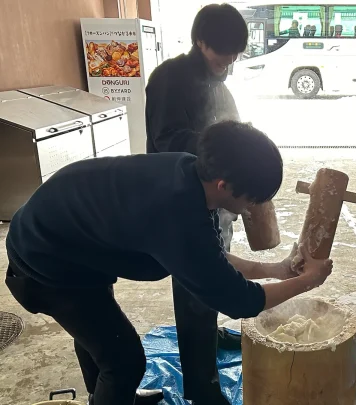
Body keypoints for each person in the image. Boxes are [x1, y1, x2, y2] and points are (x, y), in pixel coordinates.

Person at [5, 121, 333, 405]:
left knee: (99, 338)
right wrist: (309, 281)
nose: (249, 209)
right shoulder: (177, 213)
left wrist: (277, 270)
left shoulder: (191, 171)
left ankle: (111, 395)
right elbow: (240, 300)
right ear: (224, 186)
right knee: (124, 360)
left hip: (74, 239)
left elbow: (209, 258)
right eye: (250, 200)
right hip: (46, 262)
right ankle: (113, 392)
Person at [145, 4, 251, 404]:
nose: (230, 60)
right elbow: (168, 140)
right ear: (200, 41)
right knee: (195, 283)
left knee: (216, 267)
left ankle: (211, 329)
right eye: (223, 51)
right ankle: (201, 387)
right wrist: (223, 147)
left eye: (236, 52)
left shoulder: (219, 82)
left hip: (217, 194)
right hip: (183, 196)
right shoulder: (171, 78)